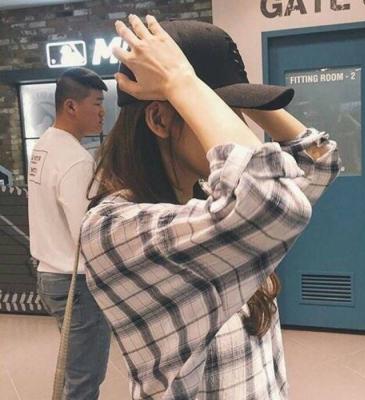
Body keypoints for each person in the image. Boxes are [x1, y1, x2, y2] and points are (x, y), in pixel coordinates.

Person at [80, 15, 341, 399]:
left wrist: (240, 94)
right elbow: (277, 202)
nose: (240, 130)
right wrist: (184, 84)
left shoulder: (207, 200)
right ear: (159, 119)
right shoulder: (113, 229)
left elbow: (320, 161)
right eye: (223, 111)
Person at [28, 67, 111, 400]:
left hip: (50, 274)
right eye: (97, 103)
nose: (103, 112)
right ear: (71, 106)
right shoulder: (76, 160)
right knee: (84, 380)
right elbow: (86, 233)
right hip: (76, 282)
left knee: (75, 373)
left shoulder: (44, 146)